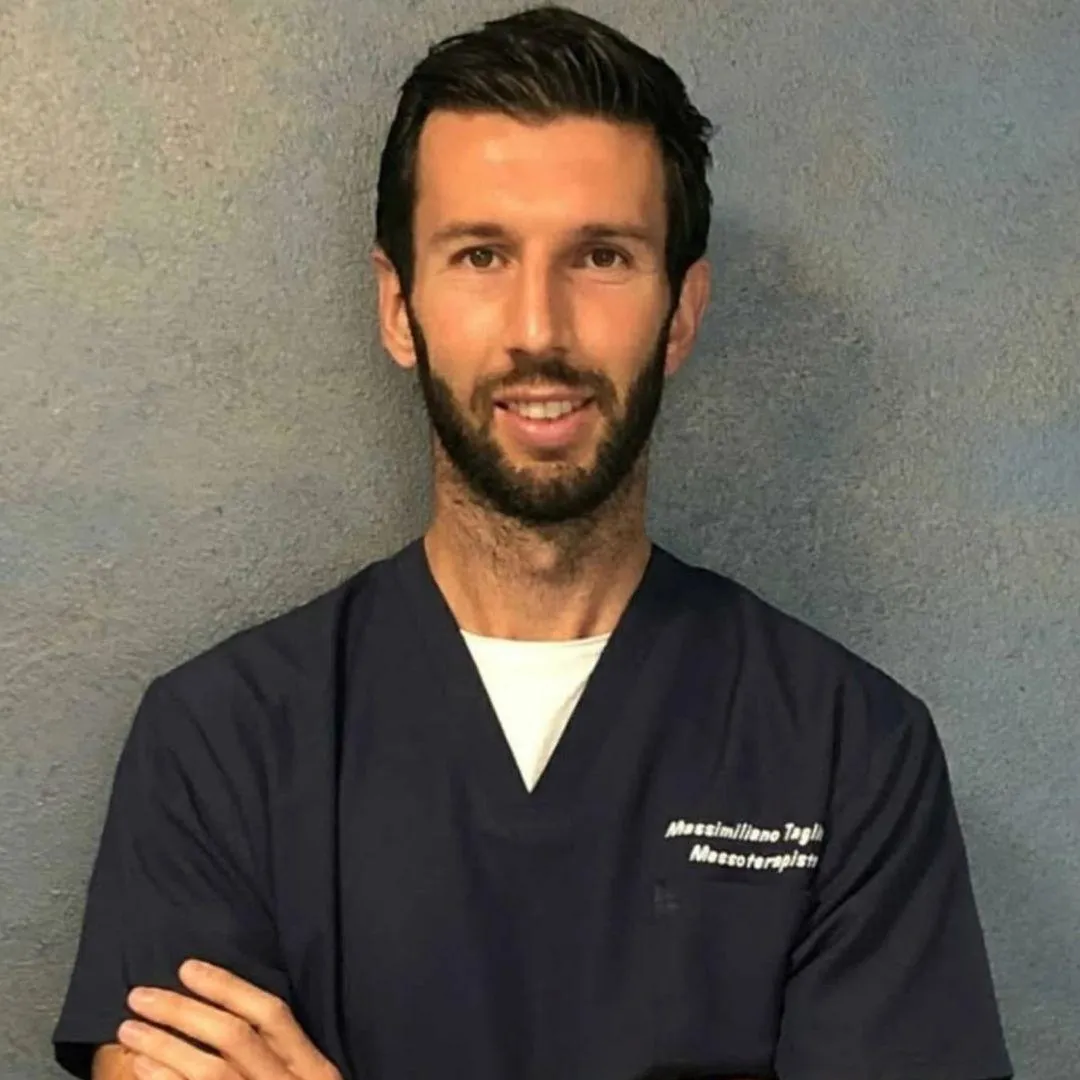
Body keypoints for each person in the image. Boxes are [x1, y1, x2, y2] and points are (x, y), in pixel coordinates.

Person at [53, 6, 1013, 1080]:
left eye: (601, 256)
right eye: (480, 255)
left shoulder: (848, 750)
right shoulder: (223, 741)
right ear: (399, 306)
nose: (539, 330)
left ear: (681, 311)